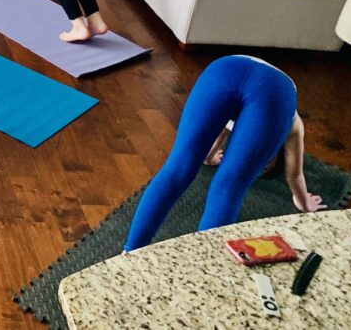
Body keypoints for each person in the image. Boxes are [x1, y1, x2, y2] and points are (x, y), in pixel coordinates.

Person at [124, 55, 326, 251]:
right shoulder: (292, 126)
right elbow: (294, 175)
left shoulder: (251, 121)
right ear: (277, 149)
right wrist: (303, 202)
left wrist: (210, 156)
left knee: (181, 168)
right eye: (266, 162)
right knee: (227, 185)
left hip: (224, 69)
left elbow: (218, 131)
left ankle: (129, 254)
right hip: (271, 89)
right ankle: (199, 271)